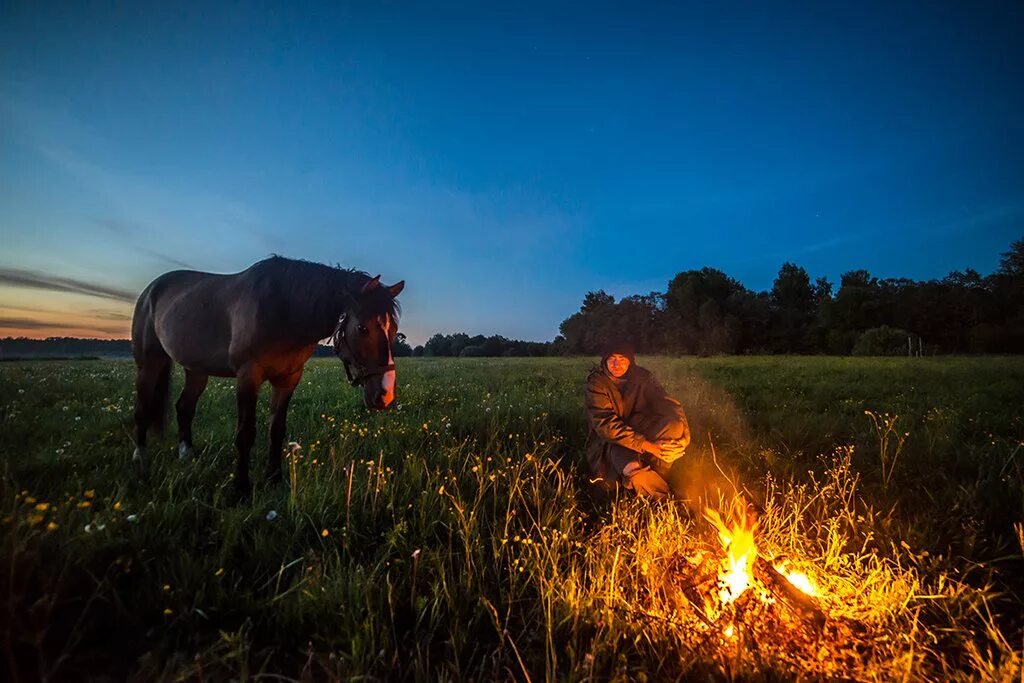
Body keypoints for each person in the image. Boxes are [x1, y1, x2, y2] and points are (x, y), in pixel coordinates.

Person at [584, 340, 691, 499]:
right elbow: (606, 425)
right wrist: (650, 447)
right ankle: (668, 501)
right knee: (632, 470)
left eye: (622, 359)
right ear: (605, 360)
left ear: (630, 361)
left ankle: (657, 475)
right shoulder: (597, 383)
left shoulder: (643, 377)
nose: (617, 364)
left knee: (675, 426)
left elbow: (668, 404)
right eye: (612, 359)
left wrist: (685, 437)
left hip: (643, 428)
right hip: (614, 442)